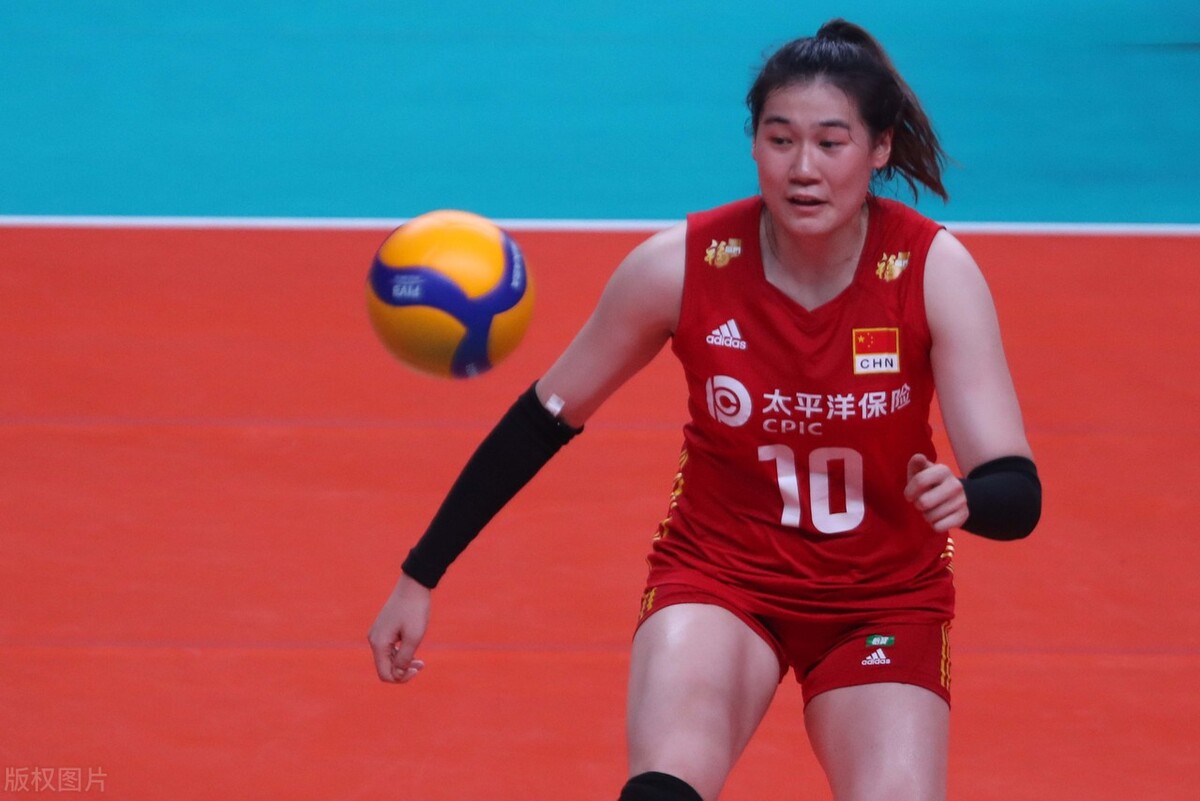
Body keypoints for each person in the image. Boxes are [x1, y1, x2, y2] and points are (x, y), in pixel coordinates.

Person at [368, 18, 1041, 801]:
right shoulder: (680, 268)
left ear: (879, 148)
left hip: (883, 598)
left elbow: (1016, 487)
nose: (803, 168)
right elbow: (542, 419)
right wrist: (420, 572)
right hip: (721, 578)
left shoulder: (931, 271)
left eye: (831, 143)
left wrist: (968, 497)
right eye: (780, 139)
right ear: (753, 143)